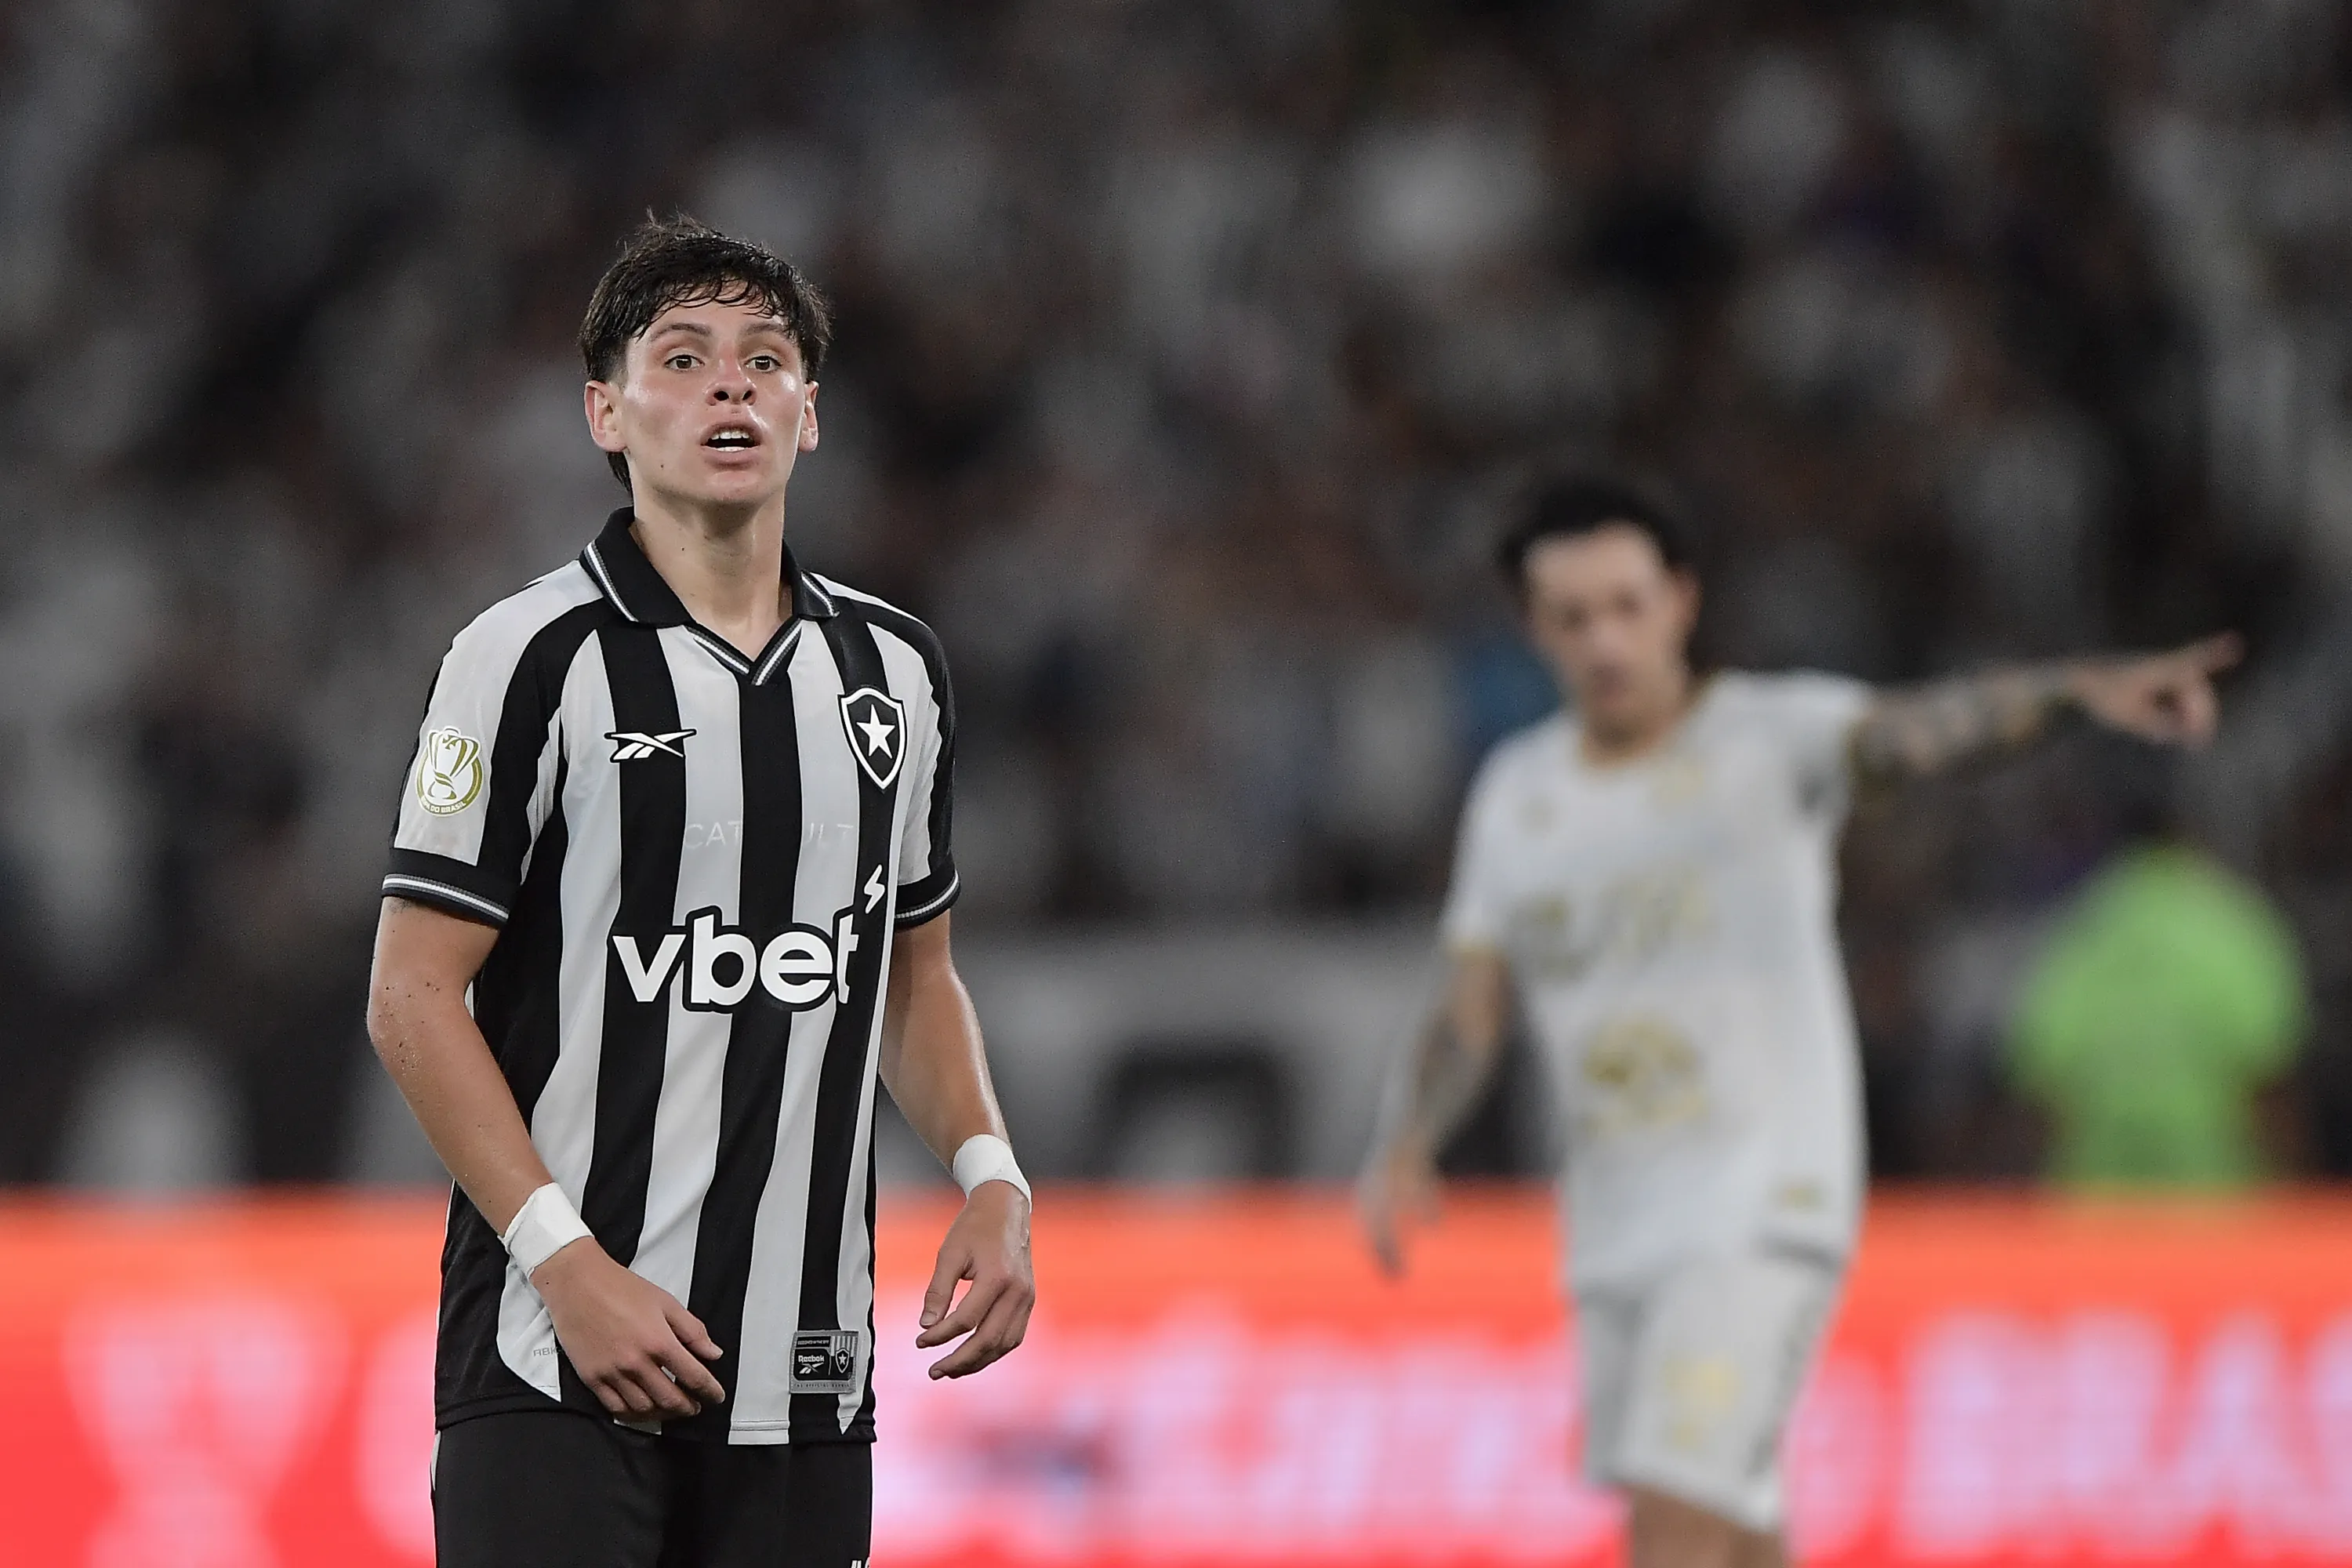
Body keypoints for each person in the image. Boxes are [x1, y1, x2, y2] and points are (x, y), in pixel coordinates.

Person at [1358, 474, 2237, 1568]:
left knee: (1671, 1518)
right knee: (1736, 1533)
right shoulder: (1518, 794)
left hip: (1758, 1203)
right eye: (1574, 617)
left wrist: (2071, 695)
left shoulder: (1768, 739)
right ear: (1535, 628)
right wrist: (1408, 1135)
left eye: (1627, 606)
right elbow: (1472, 1000)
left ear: (1681, 600)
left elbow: (1918, 735)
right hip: (1616, 1218)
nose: (1605, 642)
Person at [367, 216, 1034, 1568]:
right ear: (606, 414)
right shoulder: (527, 657)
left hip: (803, 1374)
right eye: (683, 358)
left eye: (765, 359)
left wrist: (991, 1171)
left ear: (811, 416)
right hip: (555, 1361)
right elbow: (412, 995)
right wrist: (567, 1266)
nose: (732, 385)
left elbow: (910, 974)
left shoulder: (894, 672)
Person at [2009, 837, 2307, 1187]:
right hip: (2215, 1202)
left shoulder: (2079, 930)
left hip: (2097, 1206)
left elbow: (2038, 1077)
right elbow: (2270, 1076)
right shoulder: (2231, 927)